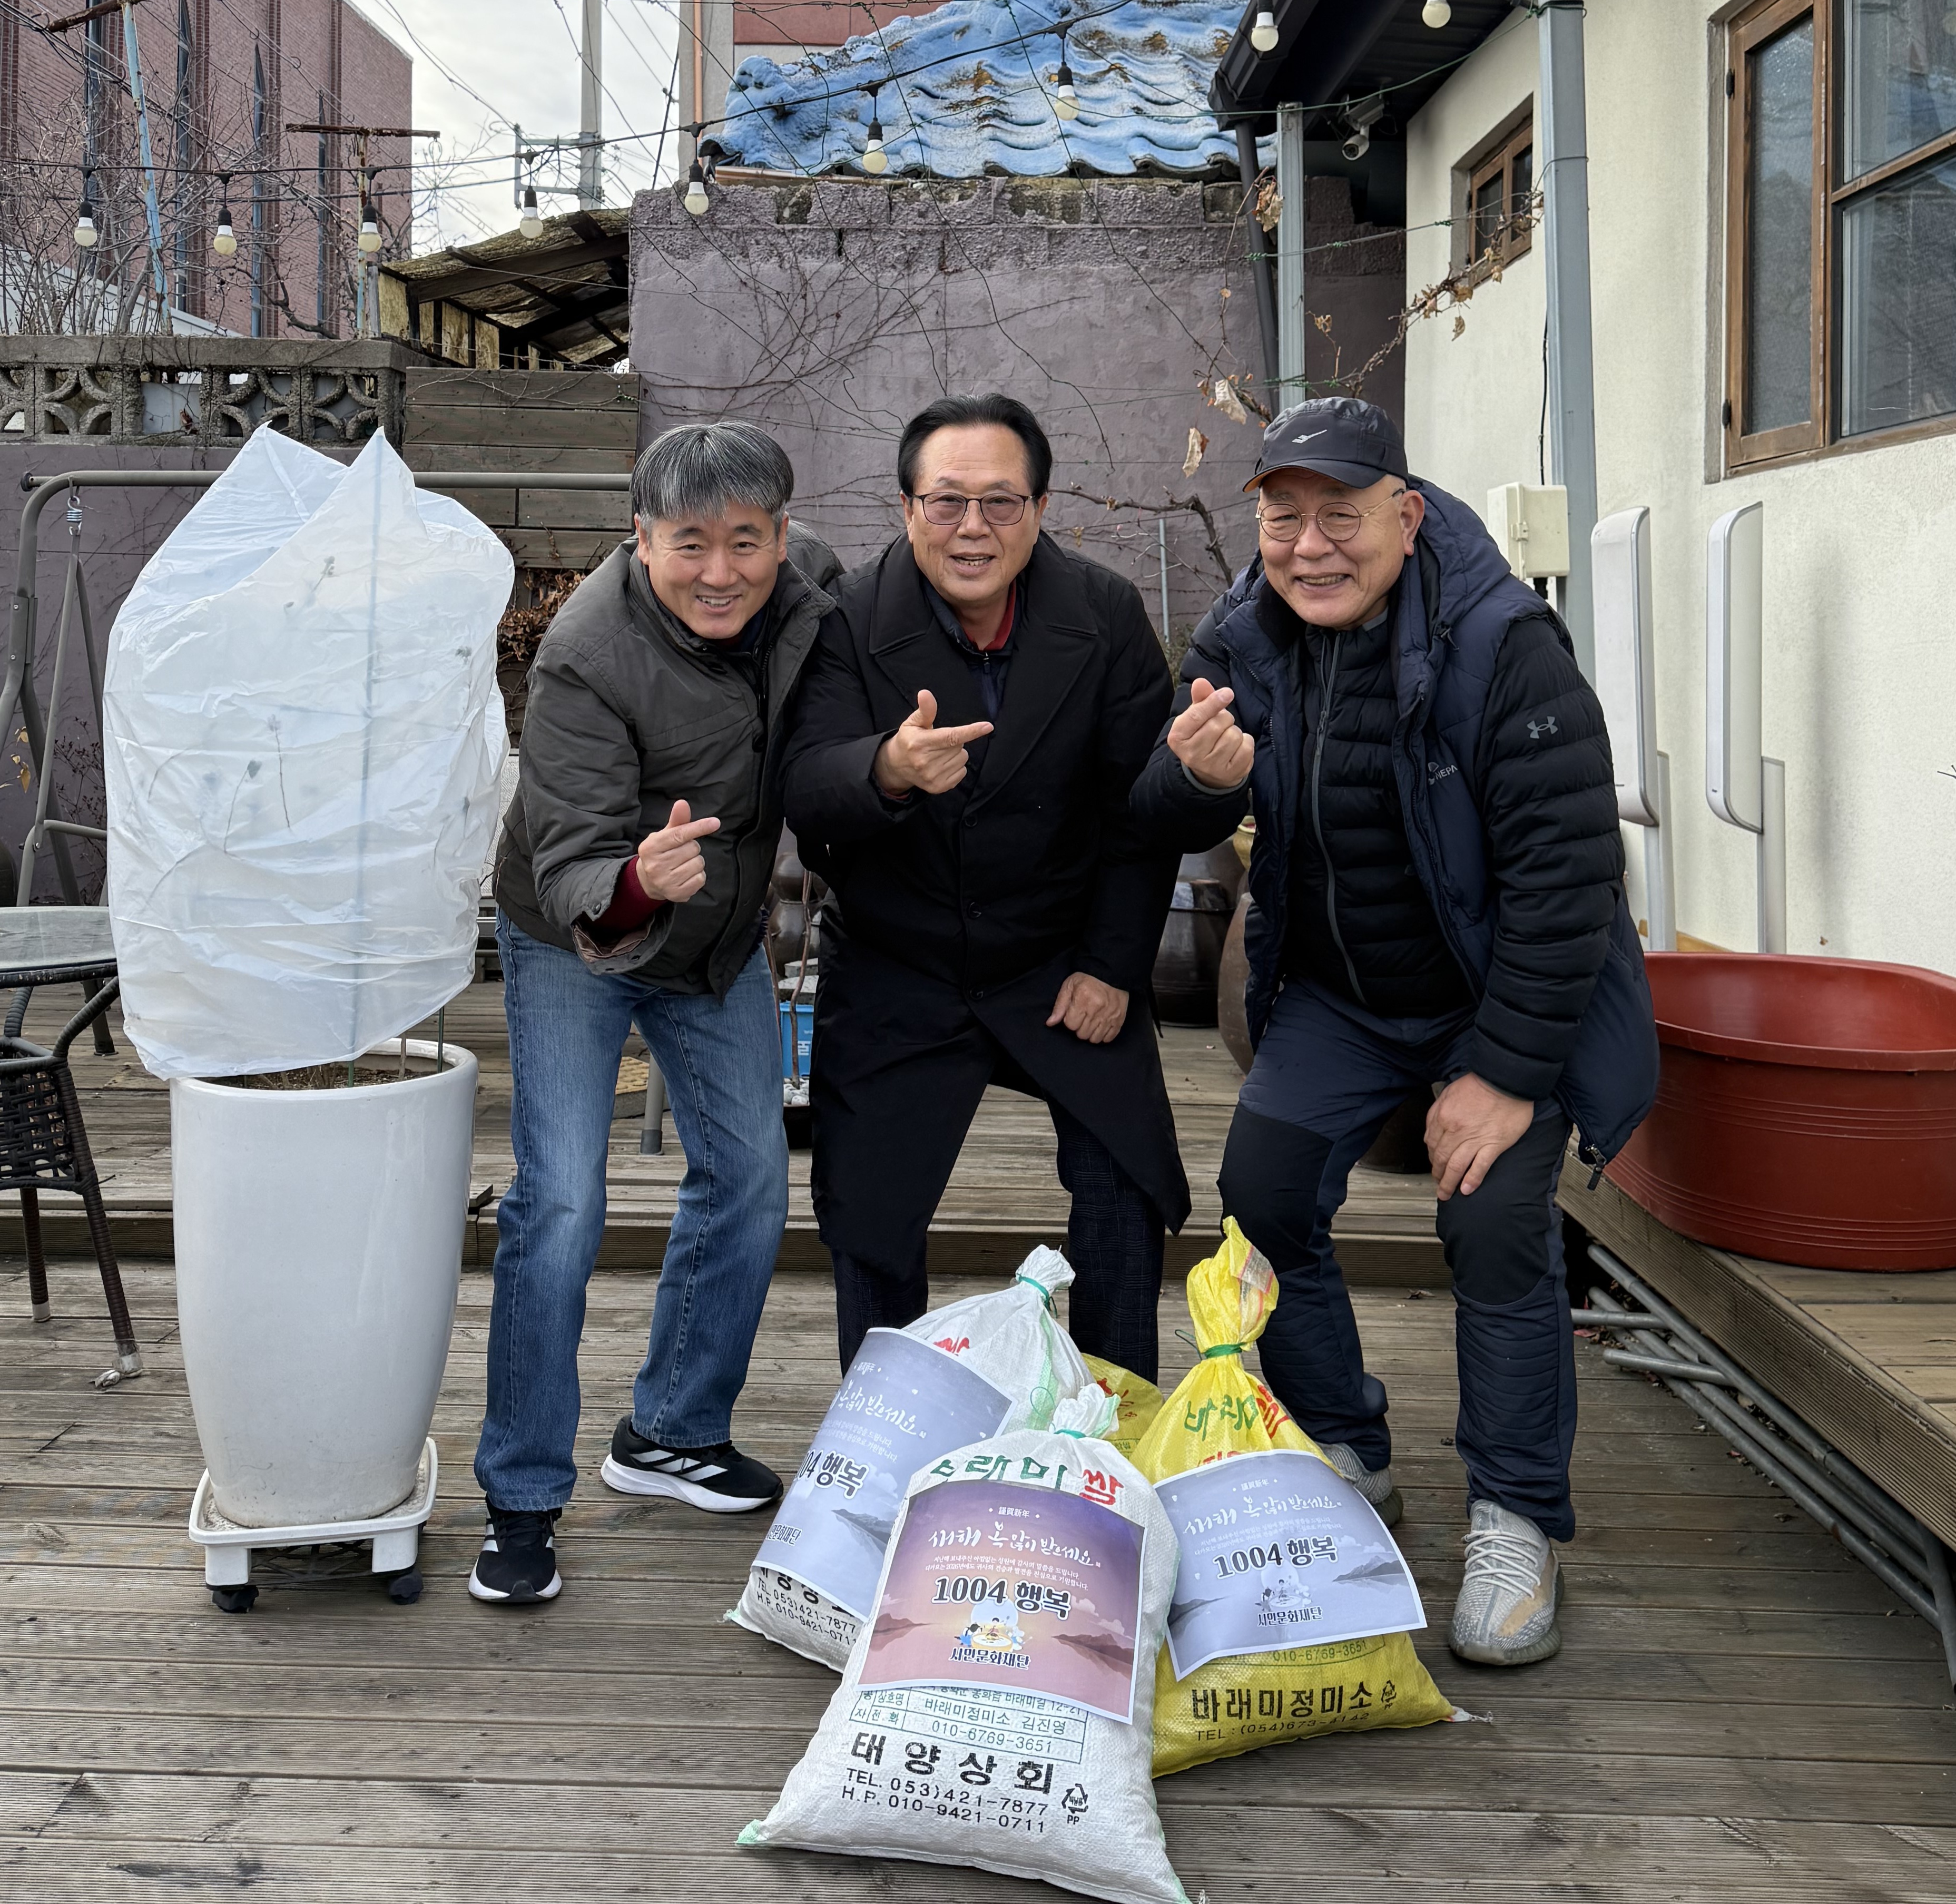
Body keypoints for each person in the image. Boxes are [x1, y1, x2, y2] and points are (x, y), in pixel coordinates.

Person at [1130, 394, 1657, 1669]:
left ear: (1406, 516)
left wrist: (1506, 1073)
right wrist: (1195, 777)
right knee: (1263, 1196)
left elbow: (1568, 877)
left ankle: (1518, 1515)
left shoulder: (1504, 644)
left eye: (1342, 515)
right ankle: (1346, 1446)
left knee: (1494, 1223)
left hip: (1497, 993)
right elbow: (1159, 811)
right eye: (1284, 517)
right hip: (1341, 996)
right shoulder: (1242, 636)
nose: (1310, 546)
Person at [471, 421, 841, 1605]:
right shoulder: (585, 652)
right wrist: (638, 881)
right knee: (562, 1200)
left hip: (717, 936)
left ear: (782, 534)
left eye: (746, 541)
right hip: (576, 930)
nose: (721, 571)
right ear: (642, 537)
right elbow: (572, 857)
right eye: (691, 543)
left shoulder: (812, 590)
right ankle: (522, 1491)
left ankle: (673, 1429)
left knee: (752, 1175)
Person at [783, 391, 1188, 1382]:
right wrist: (885, 769)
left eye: (1002, 502)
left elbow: (1137, 810)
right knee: (869, 1209)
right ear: (907, 507)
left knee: (1124, 1182)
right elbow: (805, 783)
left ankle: (1112, 1420)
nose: (974, 527)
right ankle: (886, 1429)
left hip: (1056, 952)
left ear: (1040, 509)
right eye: (948, 501)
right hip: (901, 956)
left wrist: (1113, 965)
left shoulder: (1104, 614)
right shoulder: (848, 618)